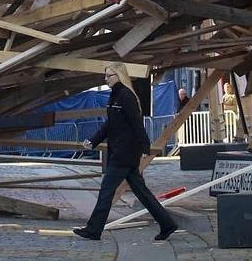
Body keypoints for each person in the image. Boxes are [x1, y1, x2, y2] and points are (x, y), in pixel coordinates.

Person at [73, 62, 178, 241]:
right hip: (123, 151)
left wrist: (144, 146)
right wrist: (93, 140)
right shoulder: (116, 95)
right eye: (105, 76)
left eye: (109, 76)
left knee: (106, 191)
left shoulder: (125, 95)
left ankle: (93, 229)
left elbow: (136, 123)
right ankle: (167, 224)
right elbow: (110, 124)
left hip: (124, 153)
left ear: (119, 76)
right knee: (141, 192)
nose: (106, 79)